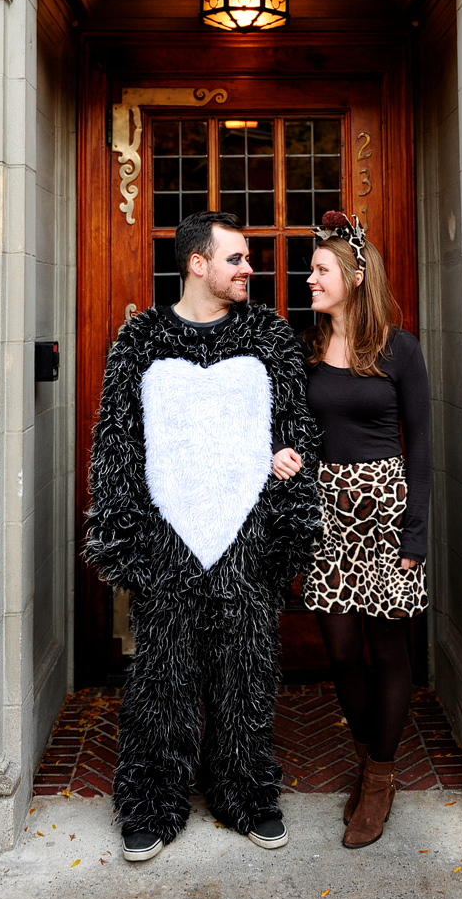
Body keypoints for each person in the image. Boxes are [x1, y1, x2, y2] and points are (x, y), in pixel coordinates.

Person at [85, 211, 321, 862]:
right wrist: (121, 540)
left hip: (247, 533)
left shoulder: (270, 337)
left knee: (247, 671)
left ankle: (245, 793)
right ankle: (151, 801)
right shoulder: (141, 340)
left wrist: (290, 523)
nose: (250, 268)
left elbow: (294, 433)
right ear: (198, 262)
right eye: (237, 258)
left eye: (248, 259)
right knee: (162, 675)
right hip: (167, 539)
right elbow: (117, 443)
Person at [300, 211, 431, 850]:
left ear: (354, 276)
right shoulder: (306, 348)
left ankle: (378, 778)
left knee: (388, 652)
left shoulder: (400, 349)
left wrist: (417, 535)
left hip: (385, 518)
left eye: (320, 270)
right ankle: (368, 753)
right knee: (342, 651)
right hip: (327, 516)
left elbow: (424, 444)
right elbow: (291, 427)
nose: (310, 279)